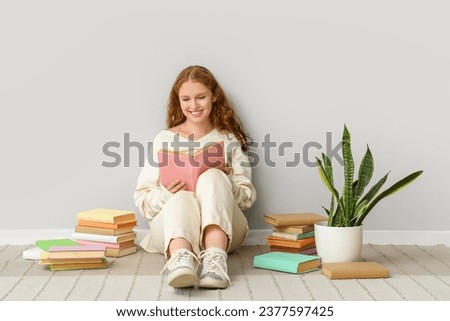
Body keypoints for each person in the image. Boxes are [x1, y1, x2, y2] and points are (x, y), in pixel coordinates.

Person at [134, 65, 256, 289]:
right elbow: (143, 201)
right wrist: (166, 194)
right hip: (172, 229)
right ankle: (181, 259)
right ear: (178, 101)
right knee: (181, 197)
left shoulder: (227, 139)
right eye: (186, 99)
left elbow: (247, 199)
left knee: (212, 176)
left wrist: (226, 180)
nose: (194, 105)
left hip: (226, 231)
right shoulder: (164, 139)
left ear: (214, 97)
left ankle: (215, 260)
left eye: (201, 97)